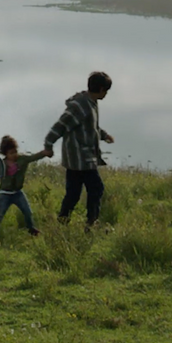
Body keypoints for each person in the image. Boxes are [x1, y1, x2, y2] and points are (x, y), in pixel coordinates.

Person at [43, 71, 116, 229]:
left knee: (73, 193)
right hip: (80, 159)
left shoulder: (91, 102)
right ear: (101, 89)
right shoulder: (80, 106)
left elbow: (92, 127)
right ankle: (91, 223)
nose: (106, 94)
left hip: (83, 158)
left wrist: (104, 135)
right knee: (96, 188)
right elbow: (60, 126)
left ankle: (63, 221)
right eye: (106, 91)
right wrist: (48, 145)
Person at [0, 135, 52, 237]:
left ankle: (31, 229)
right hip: (5, 194)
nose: (14, 154)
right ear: (5, 153)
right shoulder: (0, 164)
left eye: (15, 151)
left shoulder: (22, 160)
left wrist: (44, 153)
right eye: (11, 153)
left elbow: (33, 157)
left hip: (18, 193)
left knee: (27, 212)